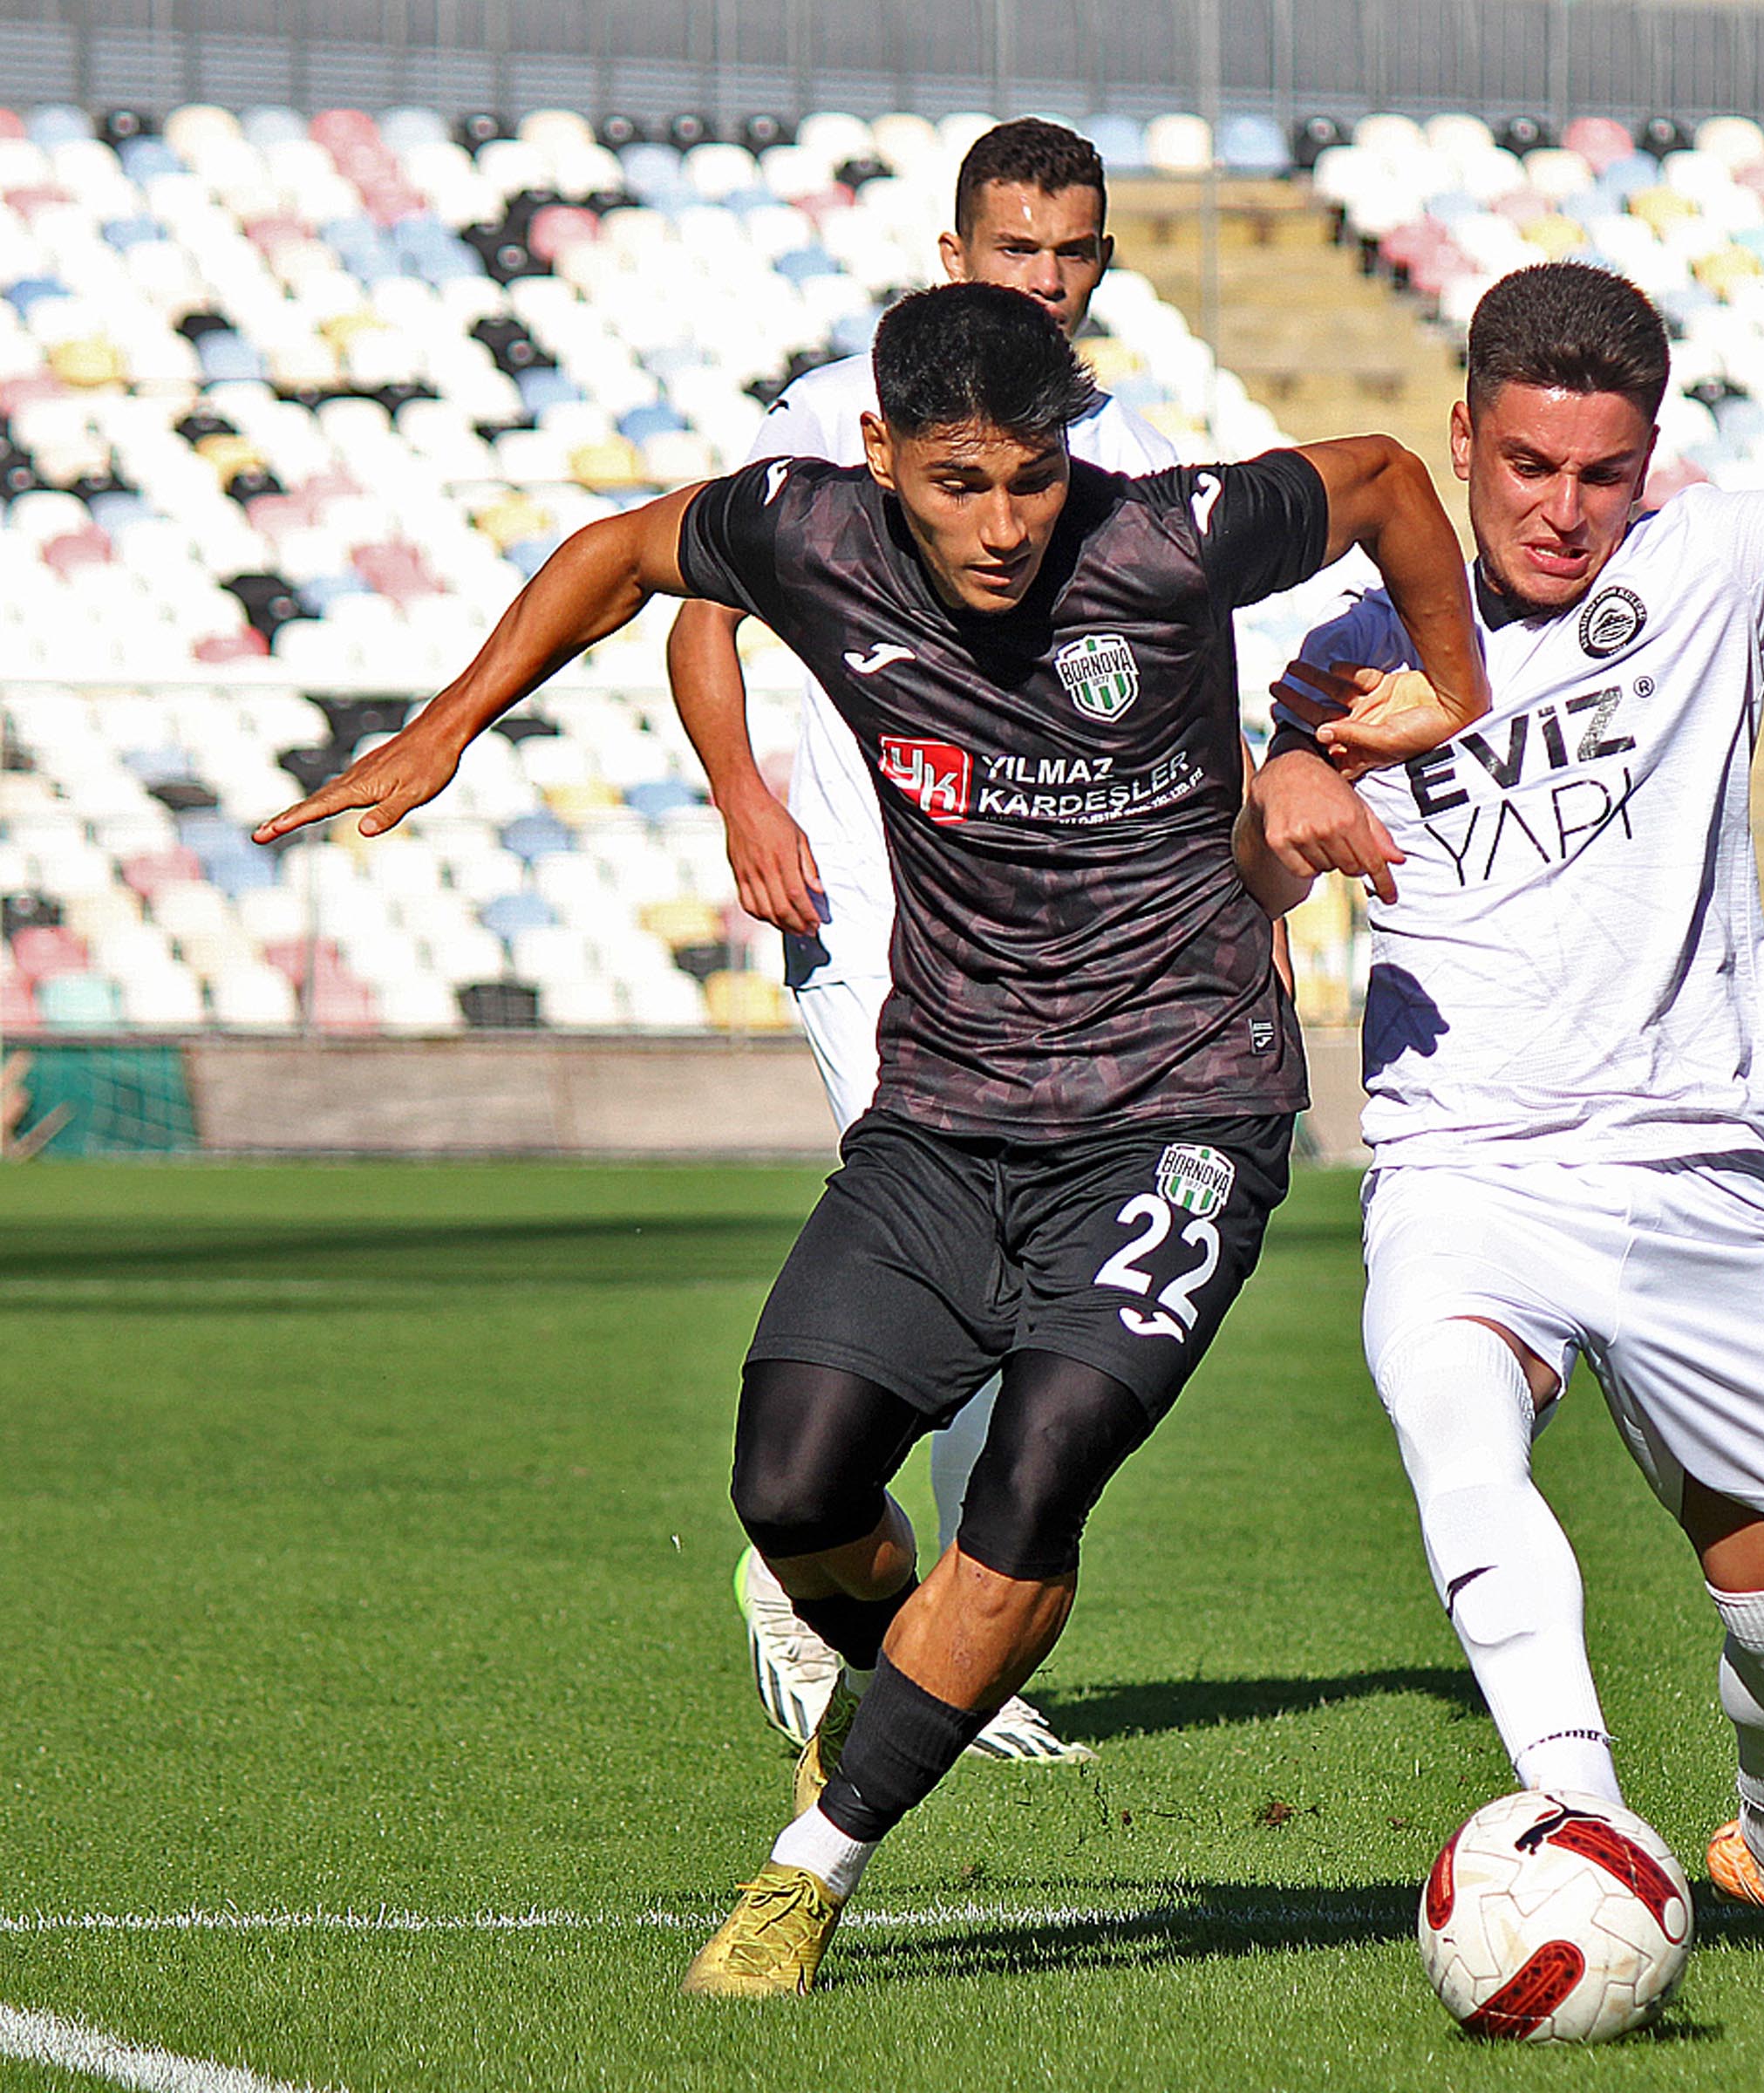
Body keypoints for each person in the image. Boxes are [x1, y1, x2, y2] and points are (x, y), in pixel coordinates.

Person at [256, 281, 1487, 1997]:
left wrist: (1453, 675)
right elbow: (623, 556)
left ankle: (806, 1876)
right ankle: (908, 1672)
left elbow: (1379, 480)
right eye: (959, 484)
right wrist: (448, 729)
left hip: (1181, 1116)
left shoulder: (1171, 536)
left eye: (1034, 482)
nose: (1002, 528)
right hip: (950, 1112)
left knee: (1036, 1472)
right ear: (877, 458)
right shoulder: (803, 530)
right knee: (790, 1478)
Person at [1248, 175, 1764, 1960]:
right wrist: (1286, 798)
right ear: (1461, 441)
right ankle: (1589, 1822)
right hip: (1459, 1160)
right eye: (1532, 466)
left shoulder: (1718, 569)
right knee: (1461, 1447)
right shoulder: (1333, 645)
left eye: (1605, 472)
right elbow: (1248, 858)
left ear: (1651, 461)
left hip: (1687, 1168)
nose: (1568, 509)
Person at [673, 117, 1179, 1767]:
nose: (1047, 276)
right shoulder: (843, 412)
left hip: (1050, 932)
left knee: (1035, 1285)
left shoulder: (1120, 436)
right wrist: (748, 795)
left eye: (1075, 250)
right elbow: (695, 608)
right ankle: (842, 1599)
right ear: (955, 256)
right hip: (876, 910)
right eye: (1017, 249)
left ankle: (933, 1632)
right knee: (960, 1249)